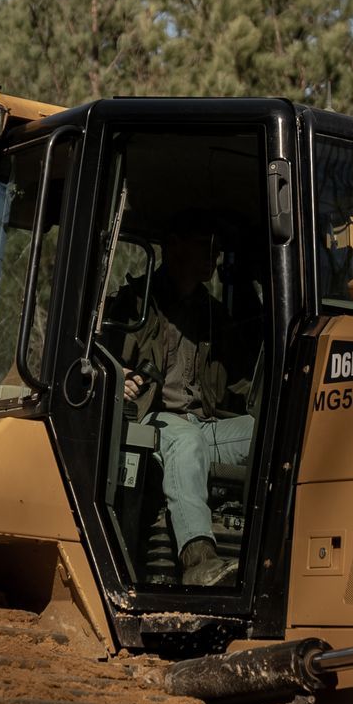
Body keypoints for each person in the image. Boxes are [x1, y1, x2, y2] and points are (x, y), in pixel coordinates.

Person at [115, 230, 255, 588]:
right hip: (155, 419)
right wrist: (120, 375)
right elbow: (98, 353)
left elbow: (240, 380)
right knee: (187, 441)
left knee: (268, 434)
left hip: (203, 424)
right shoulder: (137, 301)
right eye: (203, 244)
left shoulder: (215, 314)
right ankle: (199, 559)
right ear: (175, 246)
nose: (214, 255)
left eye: (217, 247)